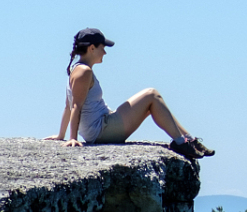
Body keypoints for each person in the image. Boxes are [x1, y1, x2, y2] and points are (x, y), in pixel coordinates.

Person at [48, 27, 214, 159]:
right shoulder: (84, 72)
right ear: (92, 48)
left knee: (153, 101)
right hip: (102, 131)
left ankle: (188, 140)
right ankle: (181, 141)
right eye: (102, 48)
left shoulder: (76, 69)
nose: (105, 52)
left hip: (101, 126)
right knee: (151, 95)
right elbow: (75, 106)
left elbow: (67, 105)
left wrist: (61, 135)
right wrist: (72, 138)